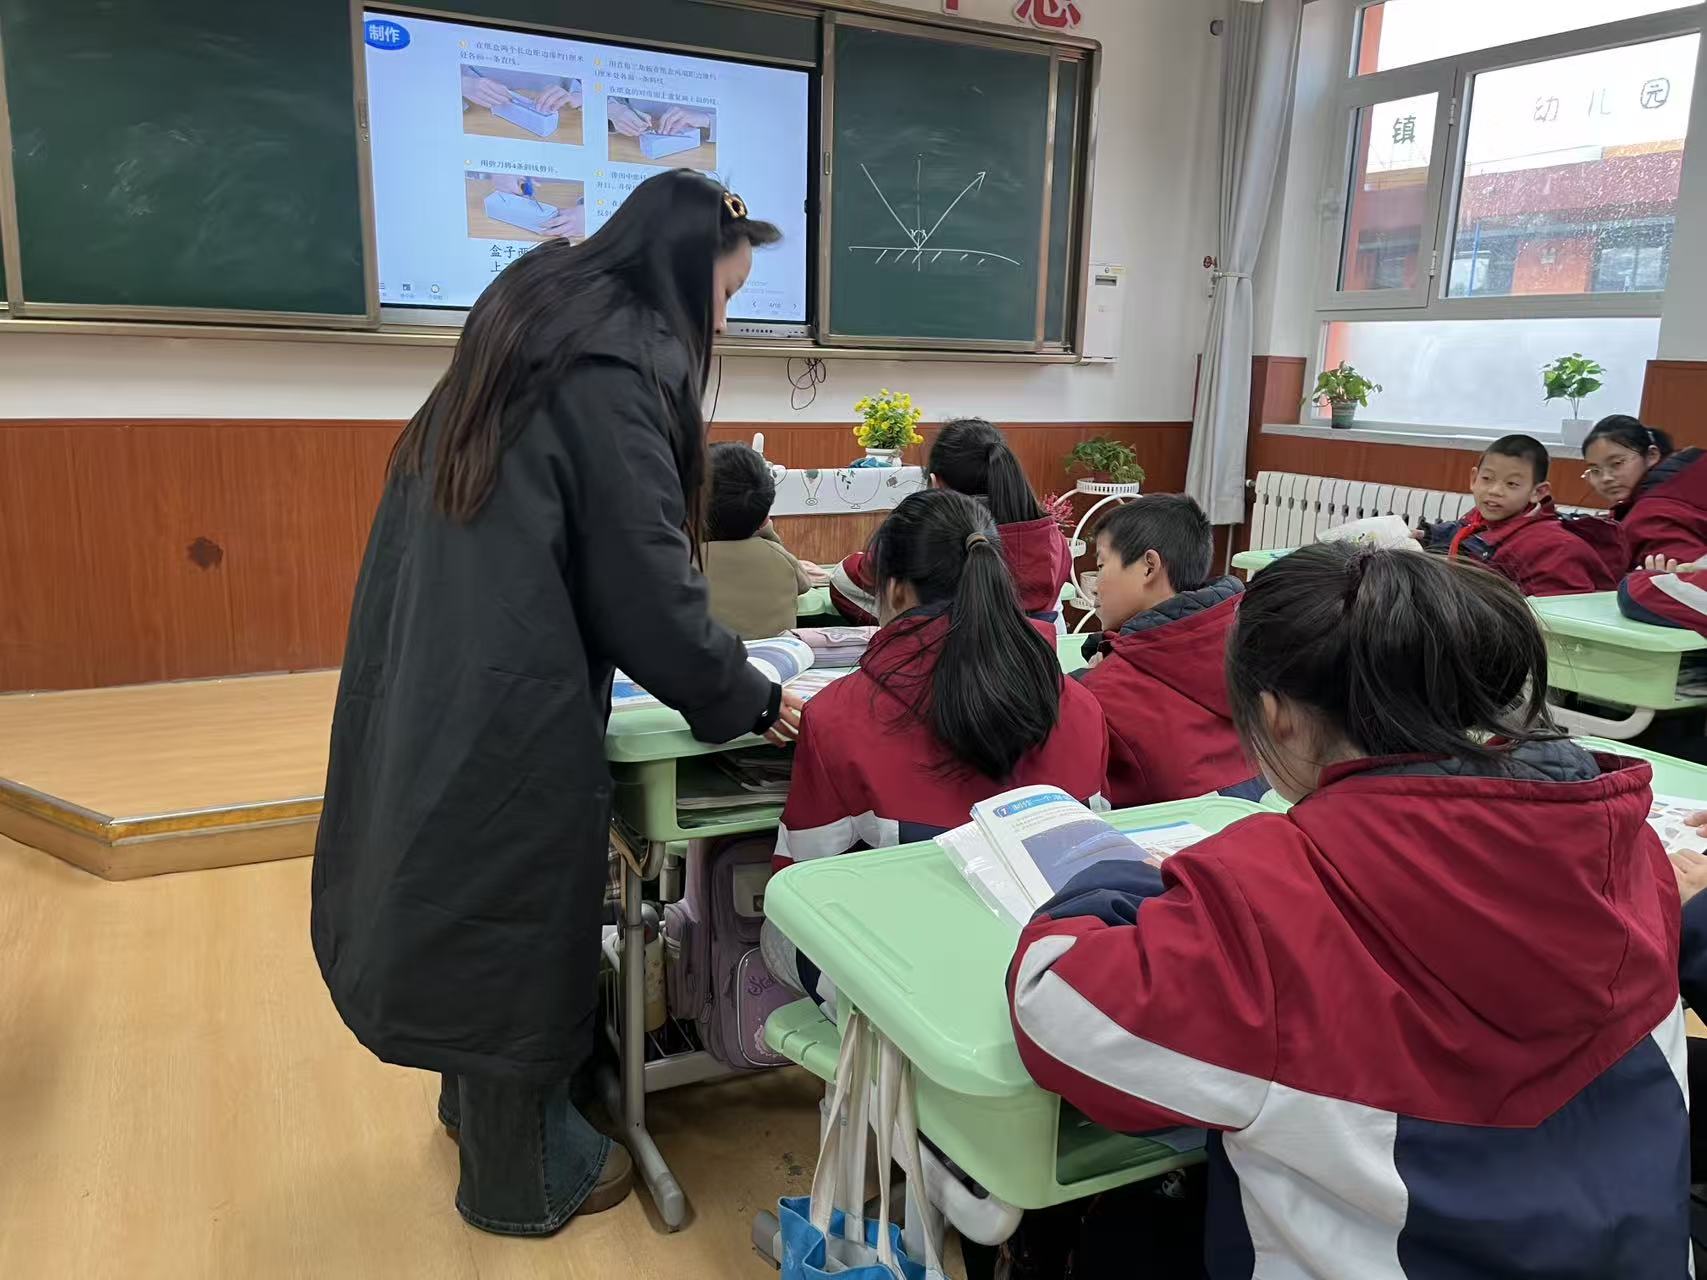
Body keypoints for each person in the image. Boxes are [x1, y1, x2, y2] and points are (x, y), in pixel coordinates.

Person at [310, 171, 801, 1238]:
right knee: (517, 898)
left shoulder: (533, 325)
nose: (723, 324)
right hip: (512, 681)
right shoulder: (617, 364)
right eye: (725, 296)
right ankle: (523, 1177)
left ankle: (476, 1111)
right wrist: (751, 697)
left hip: (444, 650)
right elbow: (645, 587)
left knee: (466, 880)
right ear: (680, 274)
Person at [1008, 544, 1687, 1278]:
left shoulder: (1268, 901)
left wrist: (1113, 879)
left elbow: (1055, 1003)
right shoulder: (1626, 846)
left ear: (1276, 716)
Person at [1076, 494, 1258, 807]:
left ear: (1149, 567)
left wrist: (1096, 674)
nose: (1095, 584)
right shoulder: (1255, 646)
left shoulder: (1100, 693)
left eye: (1101, 565)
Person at [830, 418, 1073, 627]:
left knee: (843, 578)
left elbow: (859, 576)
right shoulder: (1053, 538)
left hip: (949, 648)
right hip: (1034, 649)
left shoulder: (926, 533)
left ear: (935, 482)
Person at [1419, 433, 1617, 595]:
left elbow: (1555, 620)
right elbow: (1467, 531)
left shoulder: (1554, 549)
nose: (1495, 491)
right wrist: (1428, 536)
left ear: (1538, 492)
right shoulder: (1488, 514)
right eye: (1487, 478)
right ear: (1474, 479)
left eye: (1511, 484)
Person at [703, 441, 812, 639]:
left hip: (707, 657)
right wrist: (767, 532)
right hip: (775, 656)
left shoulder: (683, 561)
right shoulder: (778, 556)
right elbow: (804, 584)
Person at [1583, 415, 1707, 567]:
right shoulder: (1688, 471)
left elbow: (1689, 576)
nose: (1606, 478)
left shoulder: (1652, 517)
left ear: (1652, 455)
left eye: (1617, 463)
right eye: (1595, 470)